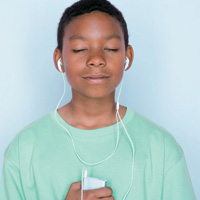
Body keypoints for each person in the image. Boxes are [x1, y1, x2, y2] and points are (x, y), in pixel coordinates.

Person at [0, 0, 196, 199]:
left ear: (127, 56)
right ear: (59, 59)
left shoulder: (162, 149)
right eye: (79, 49)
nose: (96, 59)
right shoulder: (24, 150)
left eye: (110, 48)